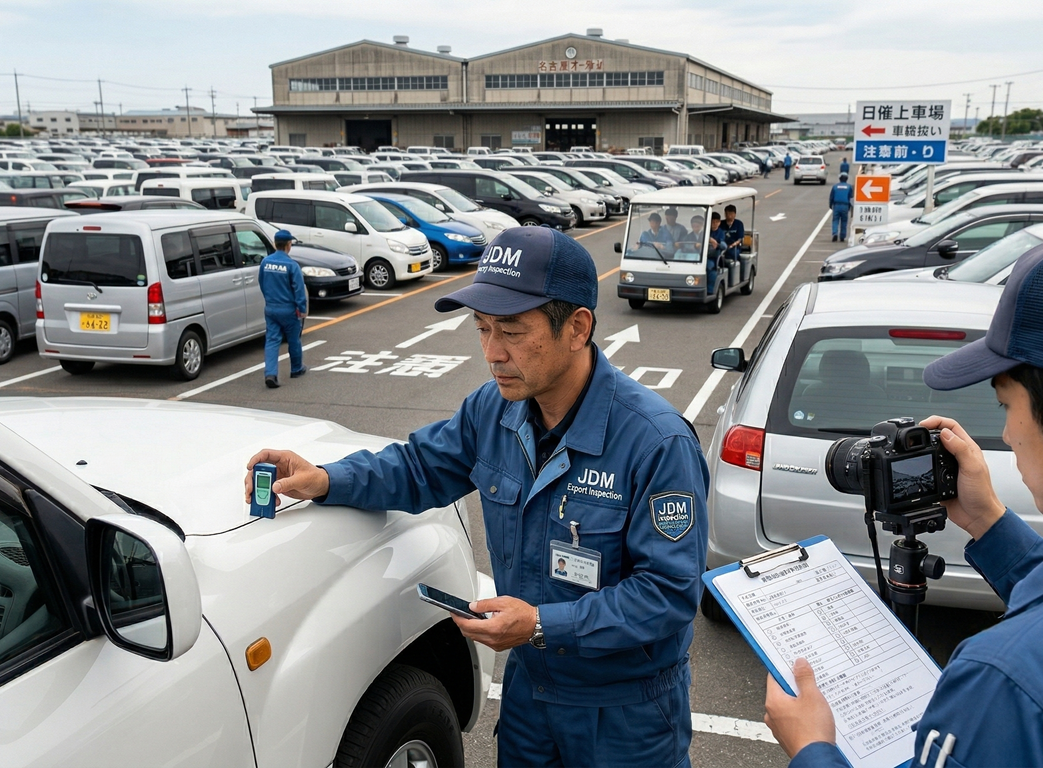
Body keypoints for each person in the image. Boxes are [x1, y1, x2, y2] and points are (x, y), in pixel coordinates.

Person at [244, 227, 709, 767]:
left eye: (511, 330)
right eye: (482, 328)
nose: (492, 352)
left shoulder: (655, 442)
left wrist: (540, 624)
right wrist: (326, 478)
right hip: (530, 696)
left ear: (577, 327)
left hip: (625, 715)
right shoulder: (493, 410)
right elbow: (418, 466)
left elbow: (670, 594)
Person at [765, 224, 1043, 767]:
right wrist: (991, 523)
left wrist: (813, 749)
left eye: (1005, 407)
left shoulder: (1013, 685)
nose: (1010, 435)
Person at [258, 229, 307, 388]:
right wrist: (302, 308)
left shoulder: (265, 262)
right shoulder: (292, 265)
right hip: (289, 310)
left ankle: (270, 374)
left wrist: (270, 300)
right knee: (293, 339)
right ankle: (296, 368)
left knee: (272, 341)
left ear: (274, 243)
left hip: (271, 308)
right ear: (288, 245)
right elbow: (299, 289)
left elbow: (262, 283)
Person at [828, 174, 853, 242]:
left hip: (836, 205)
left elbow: (831, 196)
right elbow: (851, 198)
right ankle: (842, 236)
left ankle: (835, 233)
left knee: (835, 220)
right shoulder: (849, 187)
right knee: (844, 221)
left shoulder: (835, 186)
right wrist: (851, 207)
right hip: (845, 205)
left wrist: (830, 205)